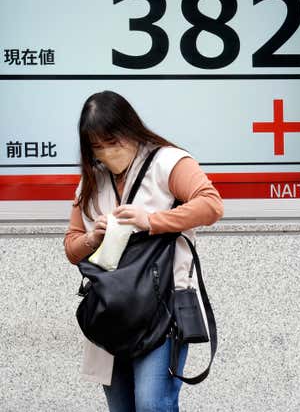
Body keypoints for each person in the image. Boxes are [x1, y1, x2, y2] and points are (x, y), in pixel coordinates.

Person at [64, 90, 224, 411]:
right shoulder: (91, 181)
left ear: (130, 129)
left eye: (113, 141)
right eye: (97, 146)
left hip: (163, 308)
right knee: (121, 407)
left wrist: (151, 220)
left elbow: (211, 205)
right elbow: (72, 247)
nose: (107, 152)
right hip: (110, 310)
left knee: (153, 405)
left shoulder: (168, 161)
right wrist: (93, 238)